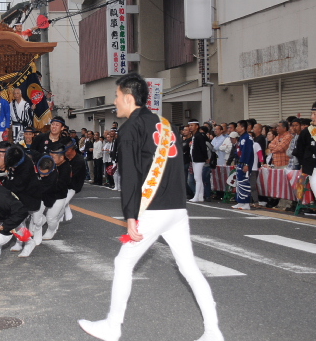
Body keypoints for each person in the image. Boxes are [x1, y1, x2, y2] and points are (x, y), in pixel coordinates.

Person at [78, 73, 223, 341]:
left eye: (117, 96)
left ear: (128, 98)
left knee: (123, 263)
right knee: (189, 268)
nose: (115, 101)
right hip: (176, 208)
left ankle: (112, 326)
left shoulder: (130, 128)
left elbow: (130, 176)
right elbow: (176, 168)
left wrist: (130, 216)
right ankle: (213, 331)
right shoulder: (166, 125)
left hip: (152, 209)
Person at [292, 101, 316, 244]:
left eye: (315, 114)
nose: (312, 117)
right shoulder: (308, 132)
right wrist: (306, 163)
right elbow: (299, 150)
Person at [188, 120, 208, 202]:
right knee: (198, 178)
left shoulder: (199, 136)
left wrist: (206, 157)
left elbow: (203, 148)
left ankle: (196, 196)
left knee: (197, 177)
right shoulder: (194, 136)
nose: (190, 127)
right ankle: (200, 196)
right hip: (195, 158)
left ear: (197, 126)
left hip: (199, 159)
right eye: (190, 125)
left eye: (192, 125)